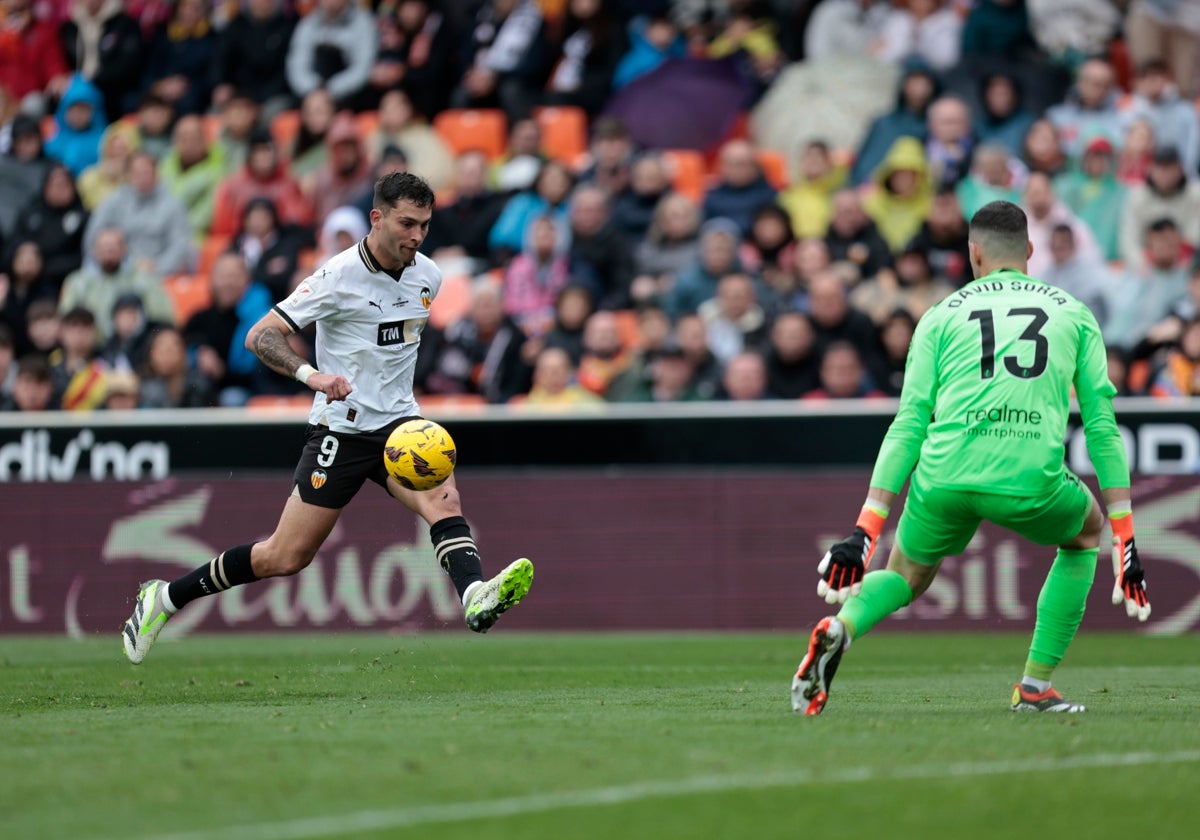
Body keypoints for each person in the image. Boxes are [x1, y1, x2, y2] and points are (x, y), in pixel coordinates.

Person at [122, 173, 535, 664]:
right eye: (407, 223)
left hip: (400, 428)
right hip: (341, 428)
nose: (417, 235)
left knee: (444, 500)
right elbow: (261, 335)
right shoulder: (336, 277)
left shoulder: (430, 276)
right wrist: (310, 374)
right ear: (376, 218)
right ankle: (165, 598)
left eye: (424, 225)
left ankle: (474, 598)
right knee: (285, 556)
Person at [791, 200, 1150, 718]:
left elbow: (909, 423)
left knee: (907, 575)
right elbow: (1100, 427)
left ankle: (842, 627)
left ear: (973, 253)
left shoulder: (940, 315)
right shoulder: (1073, 313)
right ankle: (1034, 686)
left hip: (943, 474)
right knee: (1084, 534)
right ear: (1030, 251)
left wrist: (864, 531)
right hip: (1029, 474)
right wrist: (1127, 537)